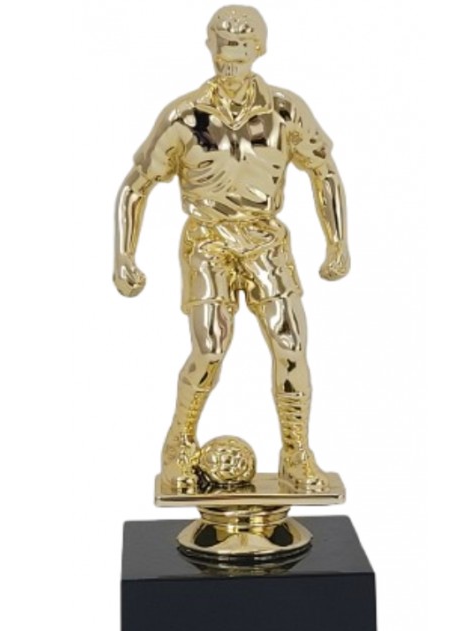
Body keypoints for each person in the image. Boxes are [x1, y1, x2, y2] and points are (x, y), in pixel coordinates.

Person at [113, 5, 350, 492]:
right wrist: (124, 255)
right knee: (209, 349)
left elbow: (324, 171)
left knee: (291, 347)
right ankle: (179, 446)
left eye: (240, 50)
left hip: (266, 241)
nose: (229, 60)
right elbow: (137, 184)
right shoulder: (185, 116)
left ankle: (297, 457)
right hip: (208, 241)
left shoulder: (285, 111)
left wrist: (338, 241)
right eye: (222, 49)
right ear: (209, 48)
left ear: (259, 49)